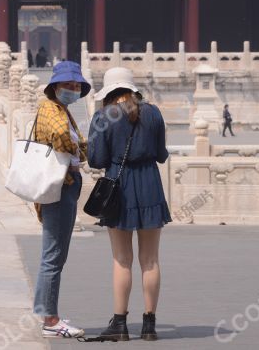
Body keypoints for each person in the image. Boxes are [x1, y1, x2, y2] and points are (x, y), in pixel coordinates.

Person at [88, 67, 171, 342]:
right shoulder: (154, 113)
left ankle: (120, 324)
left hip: (119, 185)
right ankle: (149, 325)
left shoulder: (103, 116)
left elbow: (96, 160)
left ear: (109, 92)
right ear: (132, 89)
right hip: (149, 183)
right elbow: (161, 155)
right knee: (151, 259)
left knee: (122, 259)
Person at [32, 61, 90, 339]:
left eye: (77, 86)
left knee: (56, 254)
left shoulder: (62, 109)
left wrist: (84, 151)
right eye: (69, 85)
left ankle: (49, 312)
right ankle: (51, 320)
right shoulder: (50, 108)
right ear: (55, 87)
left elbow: (76, 140)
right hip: (59, 187)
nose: (73, 89)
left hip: (64, 184)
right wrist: (76, 151)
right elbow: (58, 135)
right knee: (53, 255)